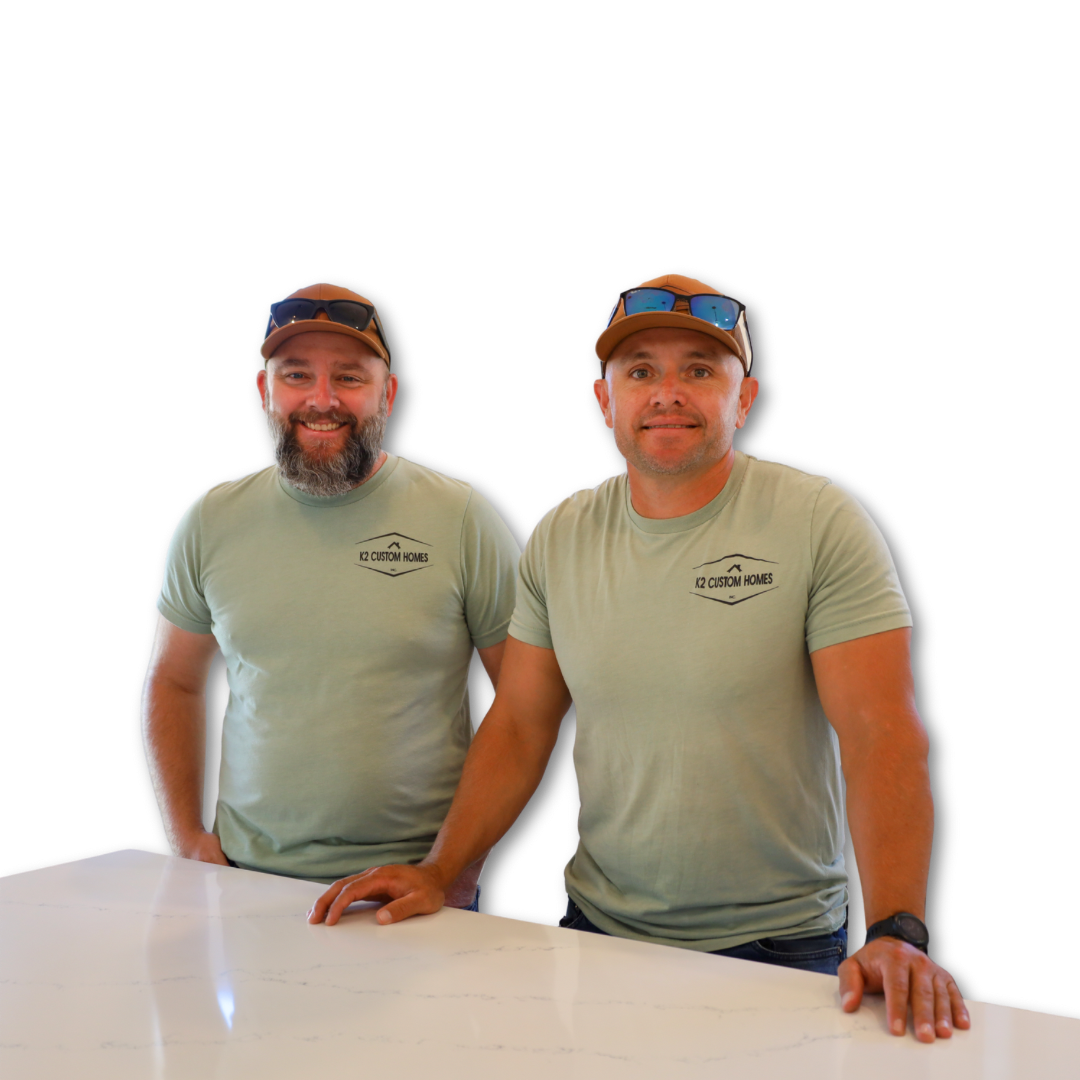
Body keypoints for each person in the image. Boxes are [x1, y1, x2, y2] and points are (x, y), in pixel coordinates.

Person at [308, 273, 970, 1042]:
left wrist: (897, 929)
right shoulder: (561, 534)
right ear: (606, 402)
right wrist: (443, 870)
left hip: (780, 948)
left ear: (744, 399)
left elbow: (880, 730)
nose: (667, 393)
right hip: (596, 929)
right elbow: (521, 722)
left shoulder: (822, 521)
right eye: (641, 371)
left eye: (699, 369)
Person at [140, 282, 519, 906]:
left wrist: (455, 865)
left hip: (414, 890)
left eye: (349, 376)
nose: (322, 400)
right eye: (296, 375)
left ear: (388, 394)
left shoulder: (462, 518)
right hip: (244, 882)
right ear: (264, 391)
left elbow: (525, 707)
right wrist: (186, 841)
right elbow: (173, 681)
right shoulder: (211, 521)